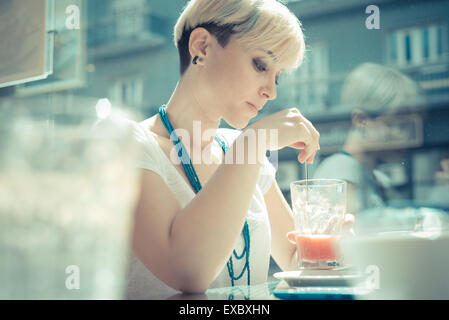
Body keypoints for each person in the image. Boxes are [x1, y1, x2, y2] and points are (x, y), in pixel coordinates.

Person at [125, 0, 352, 299]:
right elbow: (187, 272)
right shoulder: (127, 143)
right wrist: (252, 142)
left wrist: (337, 248)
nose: (271, 91)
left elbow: (299, 260)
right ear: (203, 47)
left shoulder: (240, 149)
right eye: (261, 65)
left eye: (277, 76)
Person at [313, 63, 422, 215]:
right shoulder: (341, 173)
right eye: (397, 125)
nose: (405, 137)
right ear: (361, 120)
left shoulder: (377, 178)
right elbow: (350, 233)